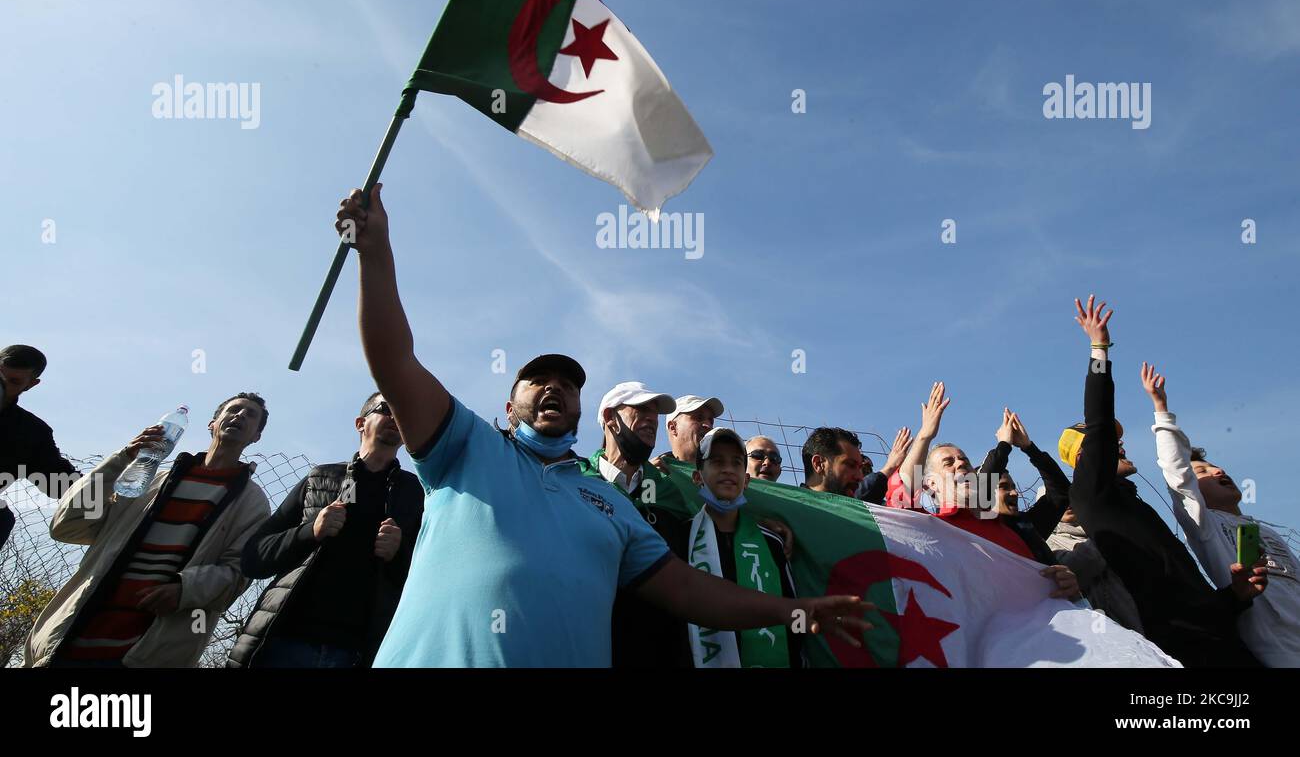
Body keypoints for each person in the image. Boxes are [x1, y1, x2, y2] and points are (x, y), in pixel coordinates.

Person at [335, 184, 870, 668]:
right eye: (537, 380)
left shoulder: (611, 504)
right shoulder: (465, 445)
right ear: (508, 403)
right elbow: (395, 361)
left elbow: (689, 591)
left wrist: (790, 611)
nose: (554, 388)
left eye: (567, 385)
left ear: (580, 408)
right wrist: (375, 249)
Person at [1062, 295, 1267, 667]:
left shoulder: (1135, 506)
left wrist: (1236, 595)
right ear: (1084, 457)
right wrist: (1099, 349)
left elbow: (1193, 596)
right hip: (1177, 649)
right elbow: (1100, 422)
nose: (1121, 442)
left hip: (1226, 640)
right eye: (1112, 441)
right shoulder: (1090, 493)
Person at [22, 393, 272, 667]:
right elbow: (69, 524)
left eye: (250, 415)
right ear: (212, 424)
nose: (239, 416)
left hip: (150, 653)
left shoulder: (251, 501)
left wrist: (185, 588)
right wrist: (122, 458)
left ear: (256, 437)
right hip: (70, 638)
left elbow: (238, 572)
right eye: (234, 410)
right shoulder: (149, 479)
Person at [227, 391, 424, 668]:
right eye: (386, 408)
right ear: (360, 423)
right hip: (283, 641)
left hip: (359, 654)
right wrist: (310, 531)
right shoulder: (321, 477)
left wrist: (399, 553)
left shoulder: (416, 495)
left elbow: (428, 579)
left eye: (402, 411)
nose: (396, 416)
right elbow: (253, 558)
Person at [1142, 362, 1300, 667]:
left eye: (1216, 466)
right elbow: (1177, 476)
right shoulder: (1207, 526)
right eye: (1203, 471)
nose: (1218, 470)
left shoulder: (1268, 533)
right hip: (1280, 653)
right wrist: (1161, 410)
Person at [885, 387, 1079, 599]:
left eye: (964, 460)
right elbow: (901, 493)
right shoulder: (929, 530)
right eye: (948, 462)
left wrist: (1066, 581)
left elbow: (1060, 494)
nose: (960, 464)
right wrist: (925, 436)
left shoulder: (1015, 527)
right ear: (930, 485)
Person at [581, 381, 692, 668]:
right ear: (609, 418)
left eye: (655, 412)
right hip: (588, 647)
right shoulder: (574, 482)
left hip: (664, 651)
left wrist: (761, 525)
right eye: (641, 408)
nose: (652, 418)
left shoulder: (670, 492)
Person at [688, 427, 801, 667]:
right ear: (697, 477)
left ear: (746, 480)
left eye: (737, 463)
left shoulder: (771, 542)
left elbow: (793, 612)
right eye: (717, 462)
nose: (728, 469)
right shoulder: (679, 536)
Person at [1, 345, 80, 549]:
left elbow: (58, 482)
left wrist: (114, 474)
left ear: (30, 385)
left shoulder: (30, 432)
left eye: (14, 381)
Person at [981, 408, 1072, 566]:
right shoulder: (975, 529)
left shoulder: (1027, 526)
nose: (1015, 493)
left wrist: (1029, 448)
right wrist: (1003, 445)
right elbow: (981, 488)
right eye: (1004, 487)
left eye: (1013, 487)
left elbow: (1061, 493)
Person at [1048, 507, 1145, 634]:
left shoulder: (1094, 529)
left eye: (1070, 500)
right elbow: (1072, 566)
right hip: (1100, 622)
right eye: (1062, 503)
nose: (1068, 506)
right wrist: (1104, 538)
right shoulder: (1050, 541)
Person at [656, 394, 724, 467]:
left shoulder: (725, 475)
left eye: (711, 422)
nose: (708, 426)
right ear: (673, 428)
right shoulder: (652, 474)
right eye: (699, 418)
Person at [855, 427, 913, 505]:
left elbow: (911, 505)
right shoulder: (841, 501)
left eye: (868, 469)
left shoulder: (886, 506)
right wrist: (890, 467)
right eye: (852, 465)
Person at [801, 427, 865, 497]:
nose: (860, 477)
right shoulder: (790, 506)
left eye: (860, 468)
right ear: (818, 464)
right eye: (851, 465)